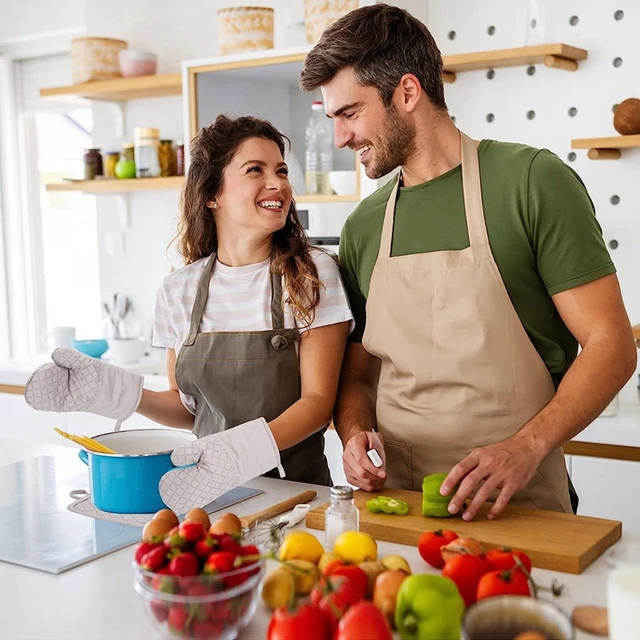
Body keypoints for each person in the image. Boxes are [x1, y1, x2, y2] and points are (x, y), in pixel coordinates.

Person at [299, 4, 637, 520]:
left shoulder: (530, 183)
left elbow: (611, 345)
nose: (340, 137)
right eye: (333, 119)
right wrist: (352, 434)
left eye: (350, 113)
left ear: (408, 93)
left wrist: (525, 448)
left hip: (517, 504)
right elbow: (360, 375)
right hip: (399, 507)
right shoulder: (364, 226)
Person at [25, 115, 353, 498]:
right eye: (255, 170)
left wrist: (236, 452)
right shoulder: (179, 290)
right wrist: (115, 390)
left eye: (281, 170)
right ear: (212, 194)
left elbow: (317, 403)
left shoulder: (312, 273)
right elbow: (190, 411)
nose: (278, 183)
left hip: (297, 494)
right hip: (207, 494)